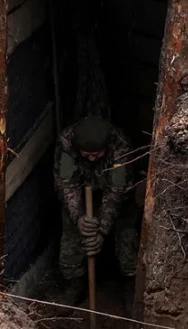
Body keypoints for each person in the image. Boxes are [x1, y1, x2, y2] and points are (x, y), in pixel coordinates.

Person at [53, 117, 140, 296]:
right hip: (81, 192)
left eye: (97, 154)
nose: (92, 159)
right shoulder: (66, 143)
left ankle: (131, 284)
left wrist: (102, 230)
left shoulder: (120, 145)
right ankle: (73, 282)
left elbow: (117, 190)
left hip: (116, 196)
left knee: (126, 235)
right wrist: (78, 217)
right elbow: (67, 183)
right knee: (72, 232)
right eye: (87, 154)